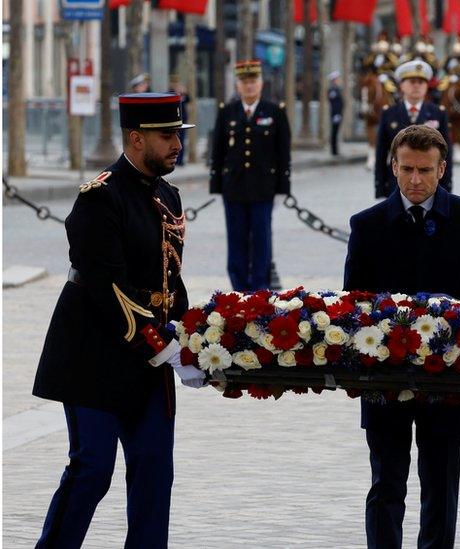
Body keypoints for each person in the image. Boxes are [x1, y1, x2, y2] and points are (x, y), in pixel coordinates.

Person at [32, 92, 207, 548]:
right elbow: (107, 289)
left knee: (154, 473)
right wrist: (164, 347)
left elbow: (170, 280)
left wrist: (196, 339)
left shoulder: (167, 194)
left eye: (178, 135)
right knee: (92, 469)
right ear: (135, 138)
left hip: (148, 364)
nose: (177, 145)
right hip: (94, 356)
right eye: (167, 136)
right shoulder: (99, 198)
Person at [344, 124, 460, 549]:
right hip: (386, 379)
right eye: (407, 170)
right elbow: (352, 304)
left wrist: (447, 312)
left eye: (426, 171)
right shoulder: (368, 225)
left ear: (443, 169)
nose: (415, 181)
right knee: (386, 483)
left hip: (449, 377)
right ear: (392, 166)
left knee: (440, 486)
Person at [209, 60, 291, 292]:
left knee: (261, 240)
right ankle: (239, 288)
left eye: (253, 81)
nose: (249, 86)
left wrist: (283, 186)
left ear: (261, 84)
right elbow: (218, 151)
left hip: (263, 188)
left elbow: (283, 152)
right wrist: (216, 183)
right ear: (237, 85)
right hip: (233, 188)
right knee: (236, 240)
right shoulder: (227, 112)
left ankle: (259, 288)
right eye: (244, 82)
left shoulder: (275, 112)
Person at [374, 59, 452, 199]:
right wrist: (380, 187)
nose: (416, 86)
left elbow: (447, 153)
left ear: (427, 86)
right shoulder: (389, 113)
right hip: (396, 184)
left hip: (430, 184)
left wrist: (446, 186)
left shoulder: (437, 113)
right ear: (401, 86)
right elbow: (381, 152)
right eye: (411, 82)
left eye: (421, 82)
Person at [327, 70, 344, 156]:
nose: (338, 80)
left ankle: (335, 150)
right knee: (334, 132)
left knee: (336, 133)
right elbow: (334, 103)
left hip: (338, 114)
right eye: (337, 79)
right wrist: (336, 114)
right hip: (335, 114)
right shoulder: (332, 90)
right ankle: (334, 151)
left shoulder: (338, 89)